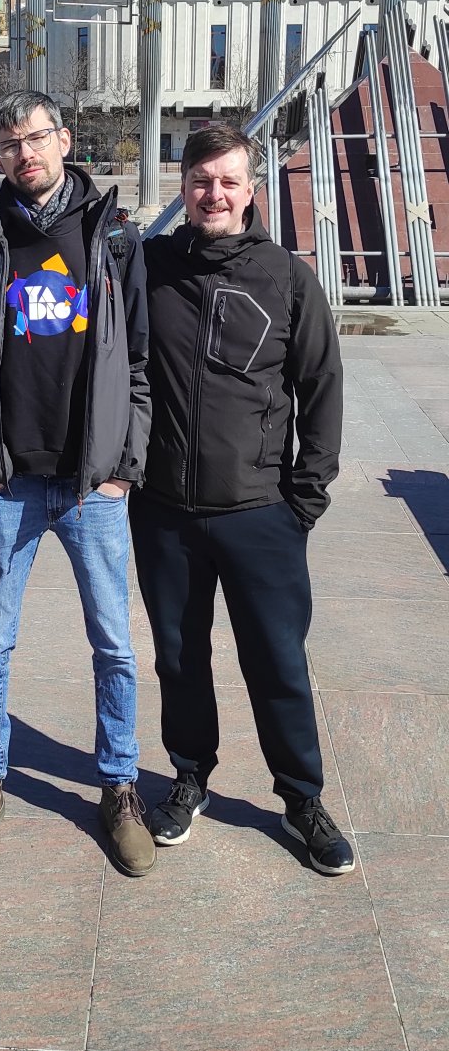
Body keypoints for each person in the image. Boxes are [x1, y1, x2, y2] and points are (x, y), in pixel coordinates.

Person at [130, 123, 354, 876]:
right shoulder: (149, 267)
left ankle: (301, 798)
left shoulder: (286, 278)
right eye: (201, 180)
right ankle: (190, 775)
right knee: (179, 658)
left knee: (277, 661)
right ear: (183, 185)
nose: (213, 194)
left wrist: (303, 501)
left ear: (251, 190)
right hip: (164, 511)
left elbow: (321, 389)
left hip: (260, 512)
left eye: (228, 181)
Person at [0, 90, 155, 877]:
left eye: (35, 138)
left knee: (114, 644)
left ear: (65, 140)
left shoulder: (114, 238)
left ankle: (120, 786)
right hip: (7, 484)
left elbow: (140, 364)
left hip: (91, 484)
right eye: (8, 143)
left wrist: (124, 468)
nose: (23, 153)